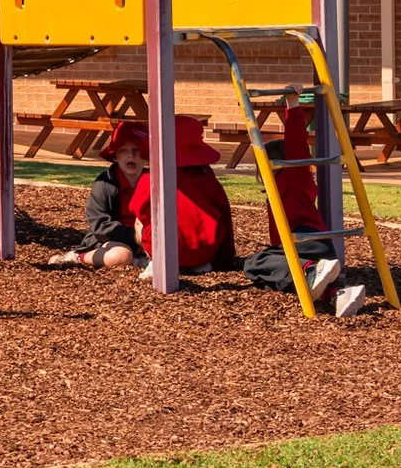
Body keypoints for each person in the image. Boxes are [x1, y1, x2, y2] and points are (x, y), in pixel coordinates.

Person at [241, 102, 368, 316]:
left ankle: (310, 270)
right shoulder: (278, 187)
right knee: (271, 276)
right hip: (315, 245)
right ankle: (338, 295)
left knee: (255, 263)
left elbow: (297, 144)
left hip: (306, 241)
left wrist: (293, 107)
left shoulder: (294, 176)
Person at [131, 115, 239, 275]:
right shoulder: (209, 181)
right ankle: (200, 264)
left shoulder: (151, 179)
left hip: (163, 250)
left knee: (139, 222)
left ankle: (154, 260)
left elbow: (140, 211)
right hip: (204, 251)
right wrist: (225, 259)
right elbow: (225, 219)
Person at [48, 120, 145, 270]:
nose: (131, 155)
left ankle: (140, 260)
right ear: (115, 156)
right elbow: (101, 226)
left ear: (146, 154)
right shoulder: (105, 183)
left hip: (147, 239)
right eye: (124, 150)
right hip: (110, 240)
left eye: (136, 150)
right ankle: (77, 257)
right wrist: (136, 237)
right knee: (120, 256)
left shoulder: (154, 182)